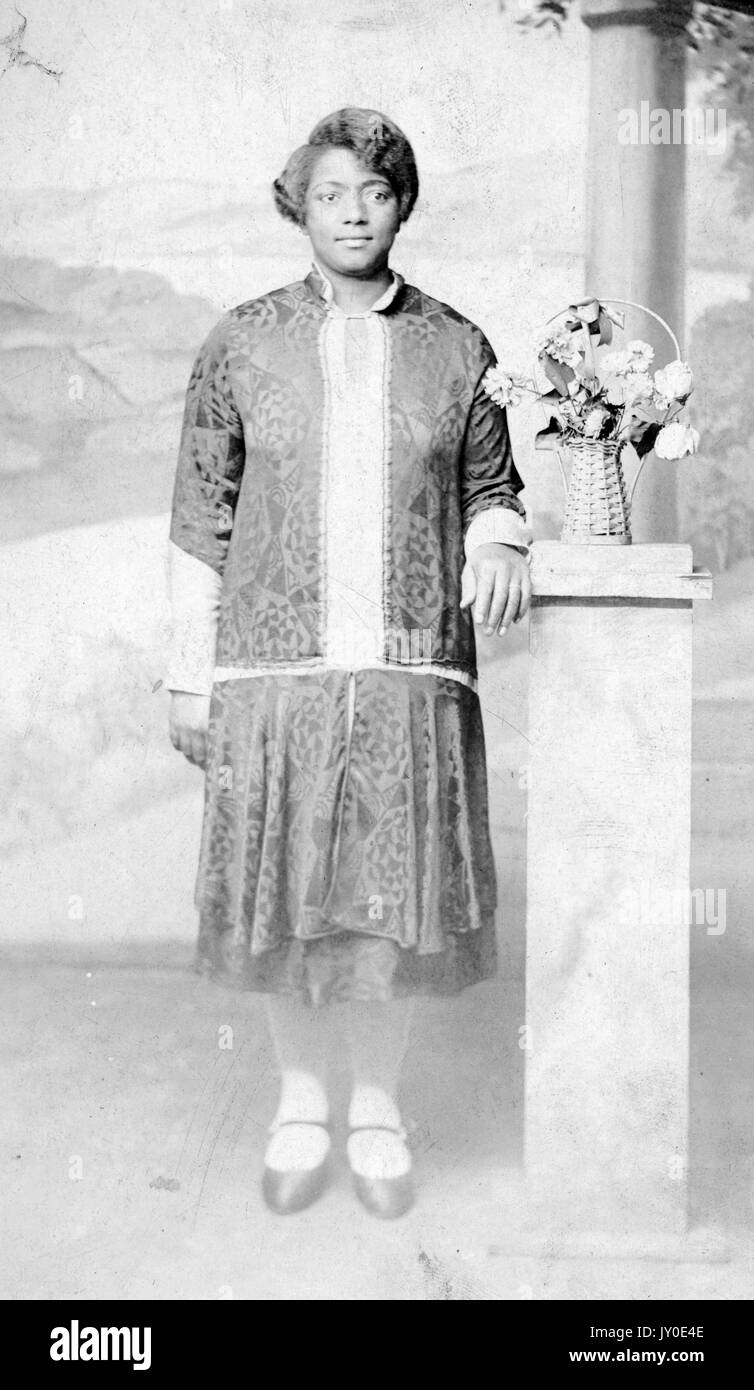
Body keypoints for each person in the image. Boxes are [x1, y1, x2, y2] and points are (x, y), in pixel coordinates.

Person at [166, 108, 532, 1219]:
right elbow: (199, 512)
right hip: (271, 671)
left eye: (375, 192)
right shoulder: (239, 340)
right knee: (291, 901)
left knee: (384, 903)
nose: (355, 212)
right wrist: (188, 672)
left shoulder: (458, 345)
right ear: (300, 207)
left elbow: (489, 486)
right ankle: (298, 1105)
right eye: (332, 194)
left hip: (407, 668)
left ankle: (375, 1106)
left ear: (402, 203)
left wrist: (501, 537)